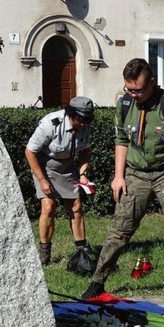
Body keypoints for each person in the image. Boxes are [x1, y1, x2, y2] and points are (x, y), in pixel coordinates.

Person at [81, 58, 164, 299]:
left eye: (138, 89)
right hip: (136, 174)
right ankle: (98, 281)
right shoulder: (125, 104)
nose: (134, 94)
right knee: (119, 230)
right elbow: (121, 140)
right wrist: (118, 176)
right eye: (129, 89)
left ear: (152, 83)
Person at [25, 96, 95, 267]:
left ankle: (81, 251)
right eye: (80, 119)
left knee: (76, 207)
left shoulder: (85, 127)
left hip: (67, 167)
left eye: (87, 119)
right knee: (48, 206)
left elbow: (85, 151)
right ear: (71, 114)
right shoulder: (51, 124)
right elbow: (30, 151)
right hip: (44, 166)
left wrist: (83, 173)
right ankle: (44, 252)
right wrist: (42, 180)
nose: (83, 123)